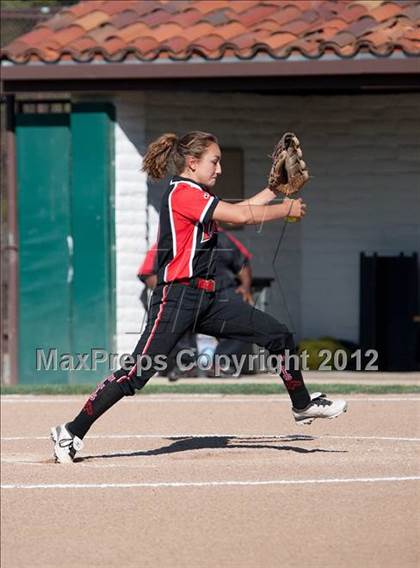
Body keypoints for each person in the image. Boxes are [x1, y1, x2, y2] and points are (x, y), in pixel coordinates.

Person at [51, 131, 347, 463]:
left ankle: (302, 403)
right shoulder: (183, 192)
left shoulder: (197, 194)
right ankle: (70, 432)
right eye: (214, 161)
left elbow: (241, 209)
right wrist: (284, 207)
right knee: (136, 373)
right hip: (175, 300)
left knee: (277, 335)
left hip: (208, 300)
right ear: (192, 163)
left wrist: (274, 191)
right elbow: (240, 217)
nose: (219, 169)